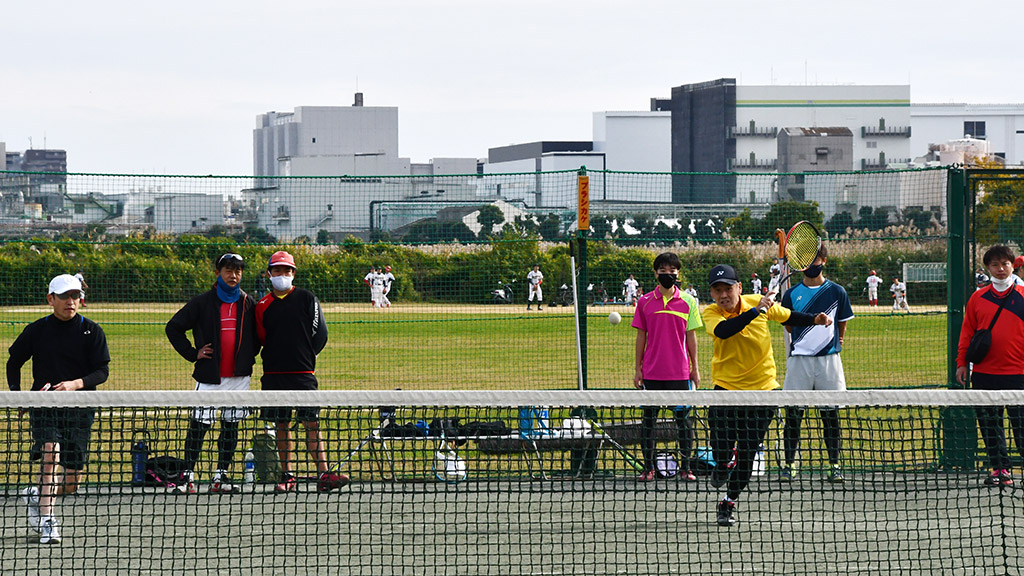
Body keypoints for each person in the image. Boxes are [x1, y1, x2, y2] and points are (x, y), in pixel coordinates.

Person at [702, 264, 831, 527]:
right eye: (718, 290)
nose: (724, 295)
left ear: (739, 288)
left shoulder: (757, 304)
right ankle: (722, 462)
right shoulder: (712, 313)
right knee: (722, 448)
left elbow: (788, 316)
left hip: (763, 392)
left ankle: (728, 501)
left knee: (748, 454)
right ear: (712, 294)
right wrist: (755, 311)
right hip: (726, 391)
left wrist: (814, 319)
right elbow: (725, 332)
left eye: (728, 288)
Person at [7, 274, 110, 544]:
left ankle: (36, 495)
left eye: (75, 296)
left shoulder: (92, 330)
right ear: (50, 299)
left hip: (80, 409)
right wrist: (19, 397)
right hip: (45, 406)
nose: (71, 301)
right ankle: (48, 522)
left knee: (72, 482)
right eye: (65, 296)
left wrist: (76, 384)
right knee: (51, 455)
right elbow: (13, 362)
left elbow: (102, 371)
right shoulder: (36, 330)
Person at [165, 253, 260, 495]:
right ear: (218, 273)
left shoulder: (249, 303)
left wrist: (247, 356)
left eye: (238, 271)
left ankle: (221, 477)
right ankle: (187, 478)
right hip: (209, 379)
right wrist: (192, 353)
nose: (233, 275)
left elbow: (258, 336)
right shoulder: (202, 302)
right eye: (228, 270)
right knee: (199, 426)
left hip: (239, 380)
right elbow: (173, 328)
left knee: (231, 427)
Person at [256, 251, 348, 492]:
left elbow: (321, 334)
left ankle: (324, 475)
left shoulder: (308, 299)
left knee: (312, 425)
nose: (282, 275)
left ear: (293, 273)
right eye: (277, 270)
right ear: (269, 274)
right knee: (282, 426)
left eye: (287, 271)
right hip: (274, 377)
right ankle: (287, 476)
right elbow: (262, 338)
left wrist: (307, 358)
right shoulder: (262, 306)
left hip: (304, 375)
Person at [778, 245, 854, 483]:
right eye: (806, 258)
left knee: (830, 416)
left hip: (829, 361)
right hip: (799, 361)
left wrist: (838, 339)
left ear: (824, 260)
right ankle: (789, 465)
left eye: (816, 258)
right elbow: (788, 325)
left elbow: (842, 320)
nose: (812, 263)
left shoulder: (837, 291)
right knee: (793, 416)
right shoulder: (790, 295)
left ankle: (834, 465)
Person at [956, 245, 1024, 487]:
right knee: (989, 425)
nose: (1001, 269)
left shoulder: (1023, 294)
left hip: (1019, 375)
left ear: (1012, 264)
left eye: (1005, 263)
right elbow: (967, 333)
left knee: (1021, 426)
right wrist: (962, 363)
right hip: (984, 374)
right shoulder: (977, 298)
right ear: (988, 268)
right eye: (995, 265)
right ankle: (1000, 470)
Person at [632, 253, 703, 482]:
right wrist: (637, 369)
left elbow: (691, 337)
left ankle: (685, 468)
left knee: (683, 422)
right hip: (652, 374)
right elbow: (641, 337)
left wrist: (695, 368)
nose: (667, 274)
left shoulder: (688, 302)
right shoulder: (644, 302)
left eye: (672, 270)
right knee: (649, 422)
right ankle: (648, 468)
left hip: (680, 374)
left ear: (678, 273)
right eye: (663, 270)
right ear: (656, 273)